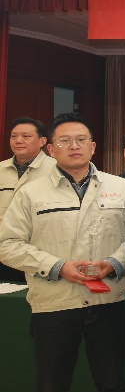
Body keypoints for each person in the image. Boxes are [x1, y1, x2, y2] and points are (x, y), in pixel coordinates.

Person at [0, 112, 125, 392]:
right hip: (53, 303)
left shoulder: (120, 188)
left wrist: (113, 263)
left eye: (80, 140)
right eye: (64, 141)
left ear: (93, 146)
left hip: (106, 302)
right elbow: (7, 244)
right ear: (51, 148)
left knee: (112, 384)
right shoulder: (31, 192)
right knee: (51, 389)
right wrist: (58, 266)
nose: (73, 146)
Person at [0, 117, 57, 283]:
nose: (18, 141)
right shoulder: (1, 169)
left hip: (41, 254)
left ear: (42, 141)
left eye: (26, 136)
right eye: (14, 136)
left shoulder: (55, 169)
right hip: (5, 251)